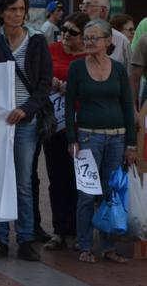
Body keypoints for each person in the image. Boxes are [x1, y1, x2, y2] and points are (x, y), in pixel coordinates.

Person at [0, 0, 52, 262]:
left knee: (23, 183)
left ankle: (25, 239)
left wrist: (26, 109)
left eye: (22, 9)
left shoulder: (37, 41)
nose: (18, 14)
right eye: (12, 9)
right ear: (1, 12)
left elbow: (44, 83)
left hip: (26, 122)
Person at [66, 19, 136, 264]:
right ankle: (85, 246)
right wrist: (72, 139)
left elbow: (128, 106)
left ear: (108, 41)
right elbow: (69, 105)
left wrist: (131, 144)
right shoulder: (76, 67)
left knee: (111, 192)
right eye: (86, 37)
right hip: (87, 137)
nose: (88, 42)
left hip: (117, 137)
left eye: (94, 38)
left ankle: (108, 247)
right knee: (86, 194)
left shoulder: (118, 69)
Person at [40, 11, 89, 252]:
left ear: (84, 36)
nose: (66, 35)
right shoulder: (52, 50)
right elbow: (38, 73)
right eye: (64, 29)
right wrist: (50, 81)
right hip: (55, 125)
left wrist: (77, 86)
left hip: (82, 126)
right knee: (57, 179)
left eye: (73, 32)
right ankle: (59, 231)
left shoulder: (90, 56)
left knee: (80, 180)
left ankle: (79, 231)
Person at [80, 0, 131, 72]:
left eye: (88, 5)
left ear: (103, 10)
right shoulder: (73, 35)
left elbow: (129, 74)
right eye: (82, 5)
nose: (83, 9)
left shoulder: (121, 40)